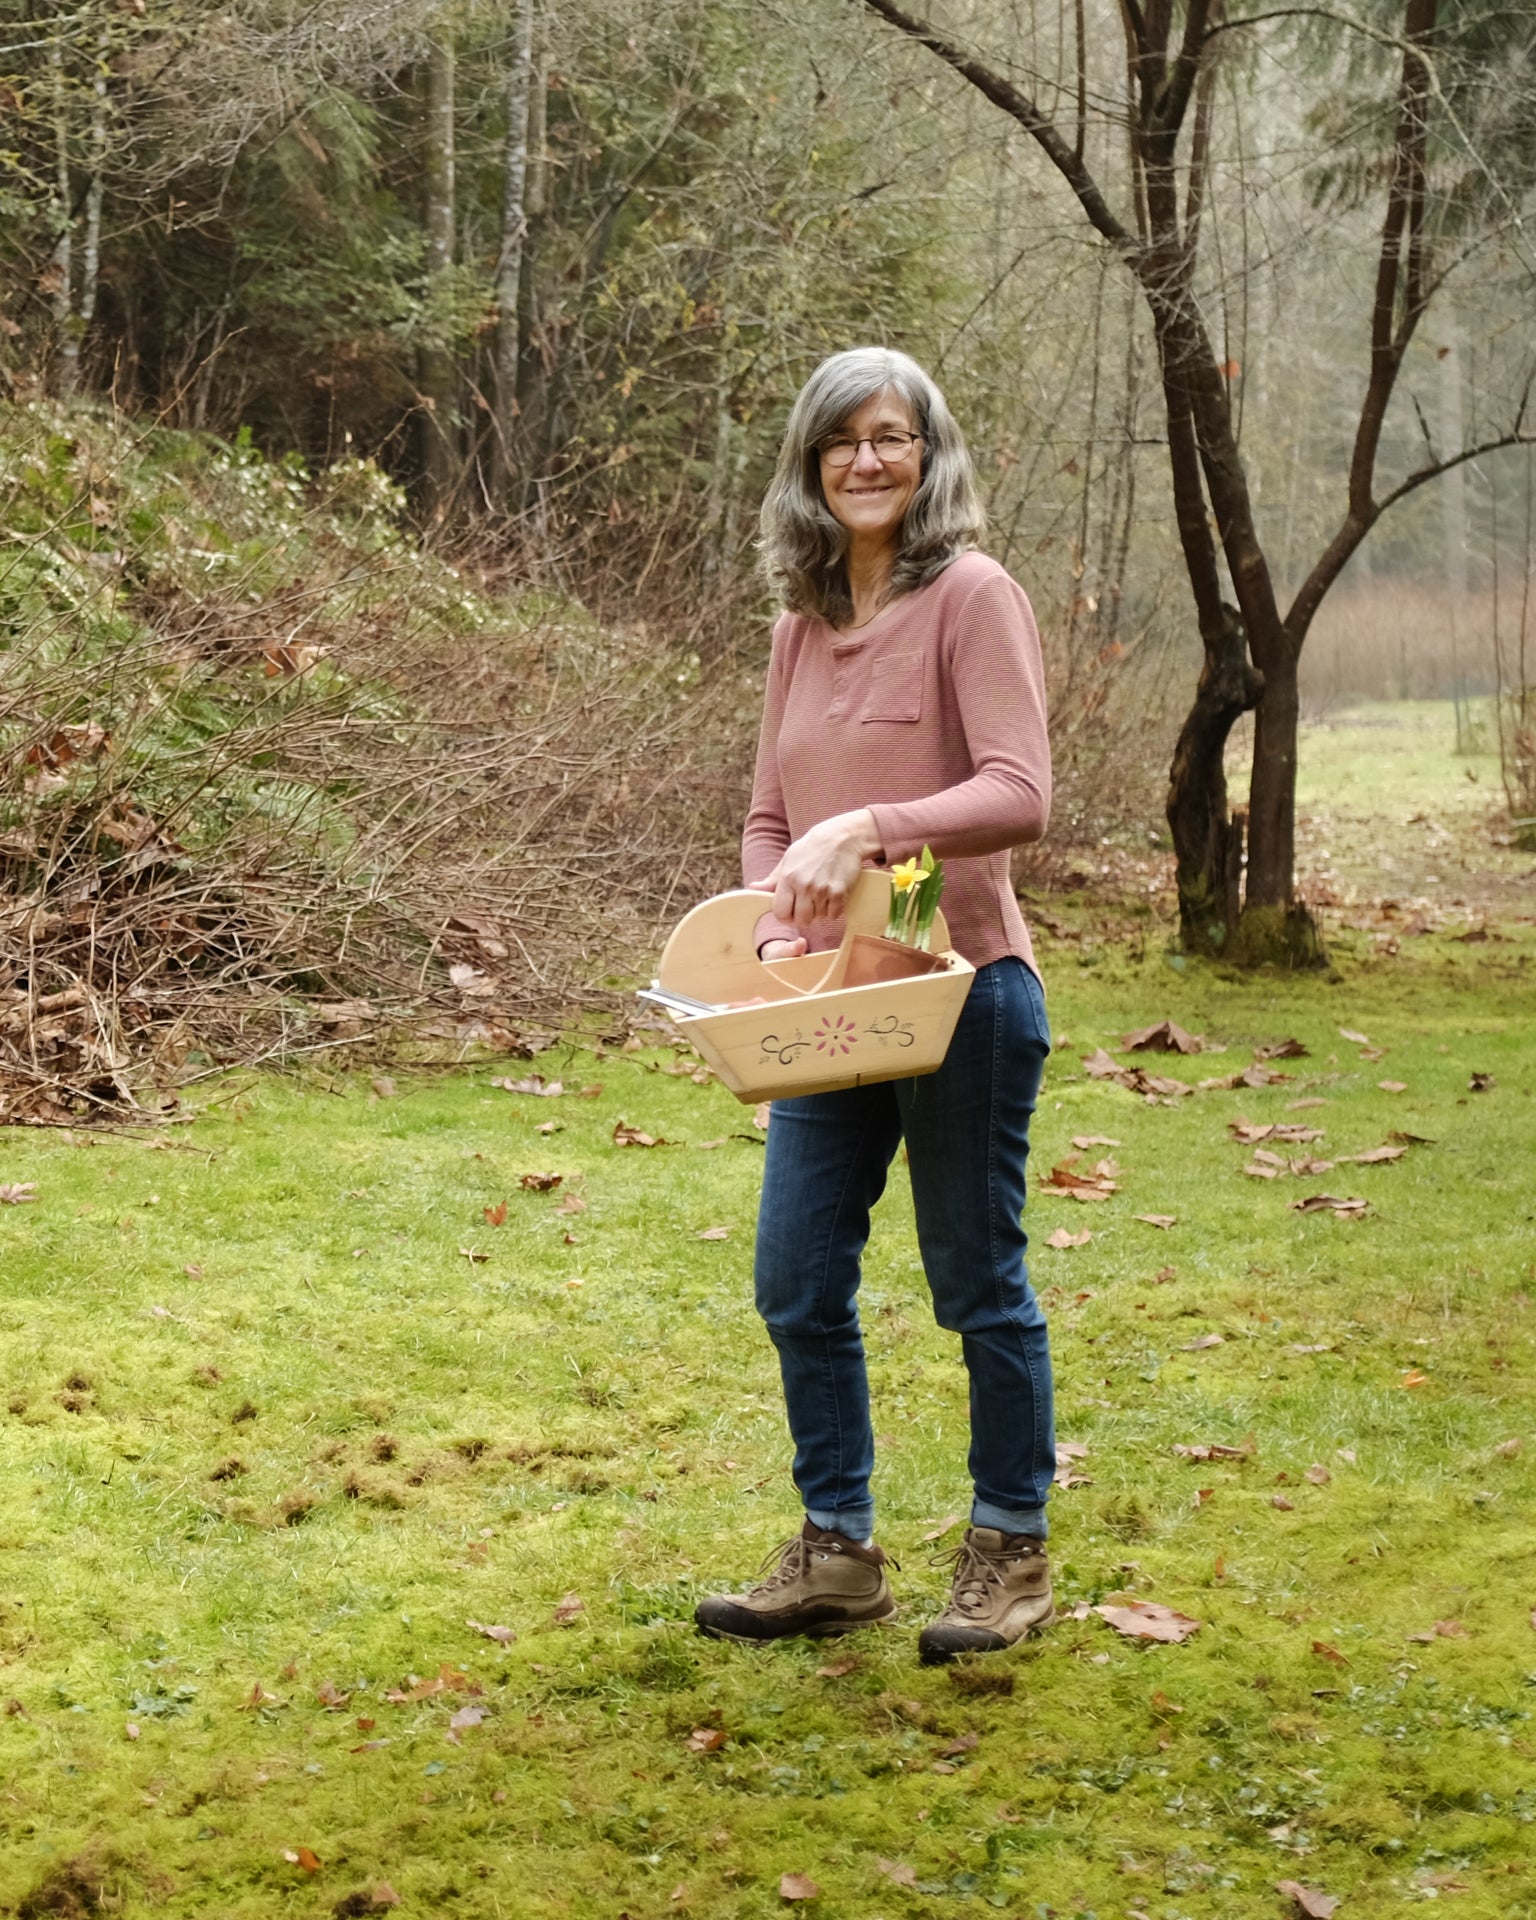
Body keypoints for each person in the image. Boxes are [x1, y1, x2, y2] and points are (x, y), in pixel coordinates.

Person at [693, 347, 1056, 1664]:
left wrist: (872, 828)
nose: (867, 460)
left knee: (976, 1284)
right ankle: (838, 1554)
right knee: (796, 1281)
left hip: (960, 994)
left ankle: (1010, 1550)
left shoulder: (972, 596)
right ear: (810, 462)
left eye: (892, 435)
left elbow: (1019, 791)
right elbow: (768, 818)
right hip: (828, 1010)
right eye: (842, 439)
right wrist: (772, 926)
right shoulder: (800, 625)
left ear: (927, 455)